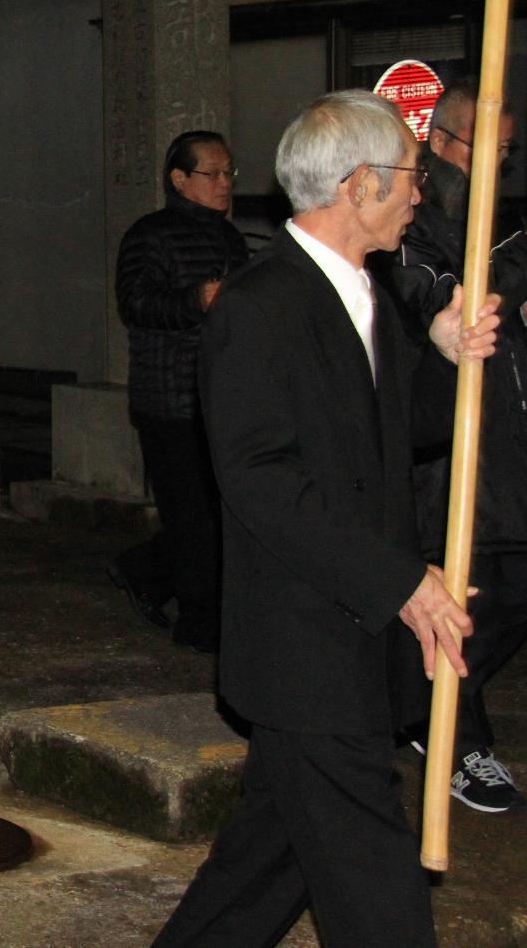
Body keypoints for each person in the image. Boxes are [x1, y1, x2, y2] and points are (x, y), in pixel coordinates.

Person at [153, 90, 498, 948]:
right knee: (379, 891)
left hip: (349, 644)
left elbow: (402, 429)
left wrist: (449, 357)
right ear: (359, 186)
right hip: (304, 641)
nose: (421, 192)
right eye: (411, 177)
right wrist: (400, 581)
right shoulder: (258, 305)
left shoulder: (366, 292)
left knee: (267, 864)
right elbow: (261, 480)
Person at [379, 82, 527, 813]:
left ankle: (426, 699)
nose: (499, 165)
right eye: (486, 149)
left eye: (508, 152)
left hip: (508, 441)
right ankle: (453, 736)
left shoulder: (501, 224)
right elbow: (440, 300)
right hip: (449, 453)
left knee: (513, 591)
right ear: (439, 144)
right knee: (467, 595)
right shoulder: (417, 227)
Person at [108, 131, 250, 653]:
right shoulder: (150, 235)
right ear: (179, 179)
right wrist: (196, 299)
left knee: (214, 513)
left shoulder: (229, 237)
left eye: (228, 173)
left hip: (218, 393)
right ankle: (201, 627)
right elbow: (136, 303)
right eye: (211, 174)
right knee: (193, 517)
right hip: (168, 397)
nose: (223, 184)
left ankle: (142, 569)